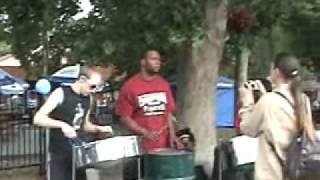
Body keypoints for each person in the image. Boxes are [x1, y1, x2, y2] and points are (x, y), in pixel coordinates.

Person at [239, 53, 315, 180]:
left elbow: (248, 128)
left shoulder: (269, 101)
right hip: (296, 172)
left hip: (272, 174)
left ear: (277, 72)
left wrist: (247, 103)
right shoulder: (303, 100)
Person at [33, 66, 113, 180]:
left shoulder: (88, 98)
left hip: (78, 154)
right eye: (92, 86)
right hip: (58, 153)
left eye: (97, 88)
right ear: (82, 80)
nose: (94, 90)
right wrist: (62, 125)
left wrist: (99, 129)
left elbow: (84, 125)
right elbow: (38, 118)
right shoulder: (61, 93)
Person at [115, 48, 182, 179]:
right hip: (139, 149)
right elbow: (124, 118)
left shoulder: (163, 84)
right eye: (153, 59)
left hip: (162, 149)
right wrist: (144, 132)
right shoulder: (130, 86)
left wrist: (173, 137)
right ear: (143, 62)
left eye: (159, 60)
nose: (157, 62)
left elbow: (167, 113)